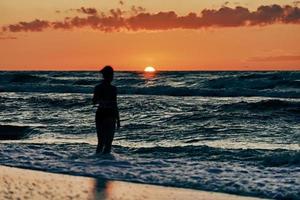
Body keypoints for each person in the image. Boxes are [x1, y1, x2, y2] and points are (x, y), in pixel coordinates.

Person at [93, 66, 120, 154]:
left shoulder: (98, 87)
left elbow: (94, 102)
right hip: (110, 114)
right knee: (108, 143)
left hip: (100, 114)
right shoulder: (113, 89)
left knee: (100, 142)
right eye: (112, 75)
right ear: (110, 75)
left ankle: (98, 162)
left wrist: (101, 99)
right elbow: (115, 104)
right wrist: (118, 119)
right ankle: (105, 164)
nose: (112, 77)